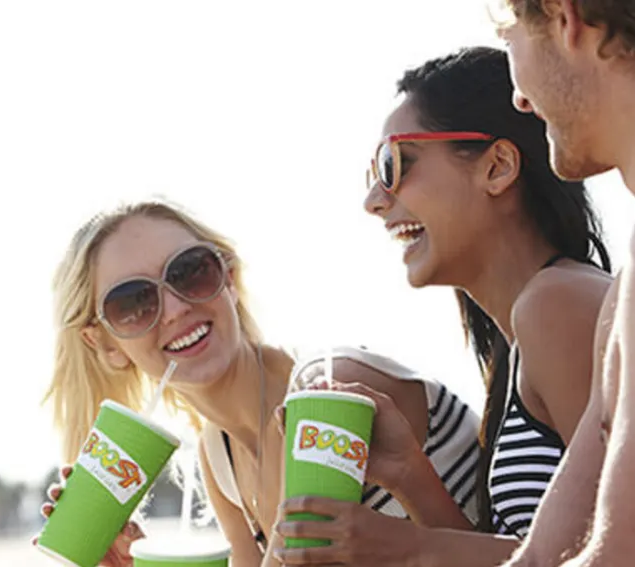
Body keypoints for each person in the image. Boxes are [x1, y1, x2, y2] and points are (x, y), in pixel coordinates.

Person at [272, 46, 613, 567]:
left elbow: (617, 548)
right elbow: (531, 554)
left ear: (497, 167)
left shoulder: (557, 305)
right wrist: (409, 473)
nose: (374, 200)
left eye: (394, 164)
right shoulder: (518, 341)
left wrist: (407, 546)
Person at [32, 199, 480, 566]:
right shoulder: (219, 454)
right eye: (133, 303)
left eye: (190, 271)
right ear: (105, 344)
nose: (175, 309)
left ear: (228, 278)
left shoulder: (329, 391)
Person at [493, 1, 635, 565]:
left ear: (565, 18)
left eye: (509, 39)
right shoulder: (623, 291)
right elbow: (537, 558)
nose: (520, 100)